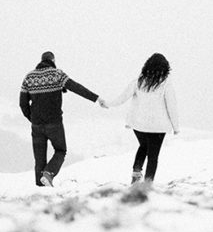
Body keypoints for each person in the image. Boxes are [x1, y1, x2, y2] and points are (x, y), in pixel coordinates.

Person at [19, 51, 107, 187]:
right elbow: (77, 87)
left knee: (39, 159)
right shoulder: (57, 74)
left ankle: (40, 190)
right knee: (60, 150)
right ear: (53, 60)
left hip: (37, 125)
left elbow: (23, 104)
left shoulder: (29, 77)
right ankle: (48, 174)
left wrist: (33, 119)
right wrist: (96, 98)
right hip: (54, 123)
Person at [107, 53, 179, 184]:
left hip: (139, 125)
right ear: (165, 68)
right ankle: (147, 184)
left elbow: (122, 98)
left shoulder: (137, 82)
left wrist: (108, 104)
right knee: (153, 156)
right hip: (158, 127)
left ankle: (136, 172)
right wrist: (176, 127)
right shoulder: (166, 85)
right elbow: (172, 107)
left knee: (143, 146)